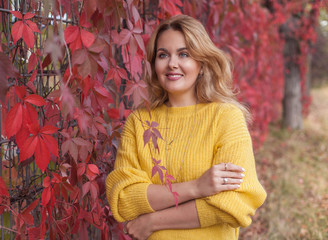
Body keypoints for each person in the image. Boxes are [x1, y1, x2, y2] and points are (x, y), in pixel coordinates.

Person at [105, 14, 267, 240]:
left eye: (184, 54)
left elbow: (235, 203)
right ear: (154, 64)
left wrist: (151, 221)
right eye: (163, 55)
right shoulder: (139, 123)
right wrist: (197, 188)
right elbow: (123, 198)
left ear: (201, 63)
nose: (172, 63)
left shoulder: (226, 117)